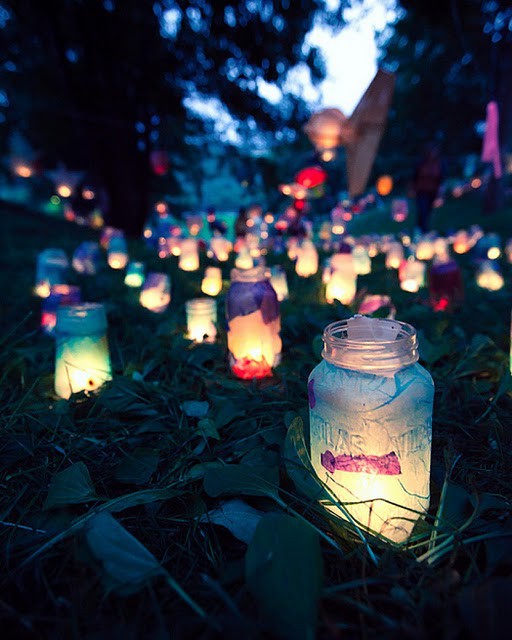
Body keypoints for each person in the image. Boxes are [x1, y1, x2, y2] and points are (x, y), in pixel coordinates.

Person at [413, 144, 444, 233]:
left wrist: (440, 193)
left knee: (428, 211)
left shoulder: (439, 164)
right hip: (421, 191)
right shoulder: (421, 163)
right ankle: (420, 229)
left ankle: (423, 229)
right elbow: (415, 176)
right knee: (422, 210)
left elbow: (441, 178)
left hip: (433, 191)